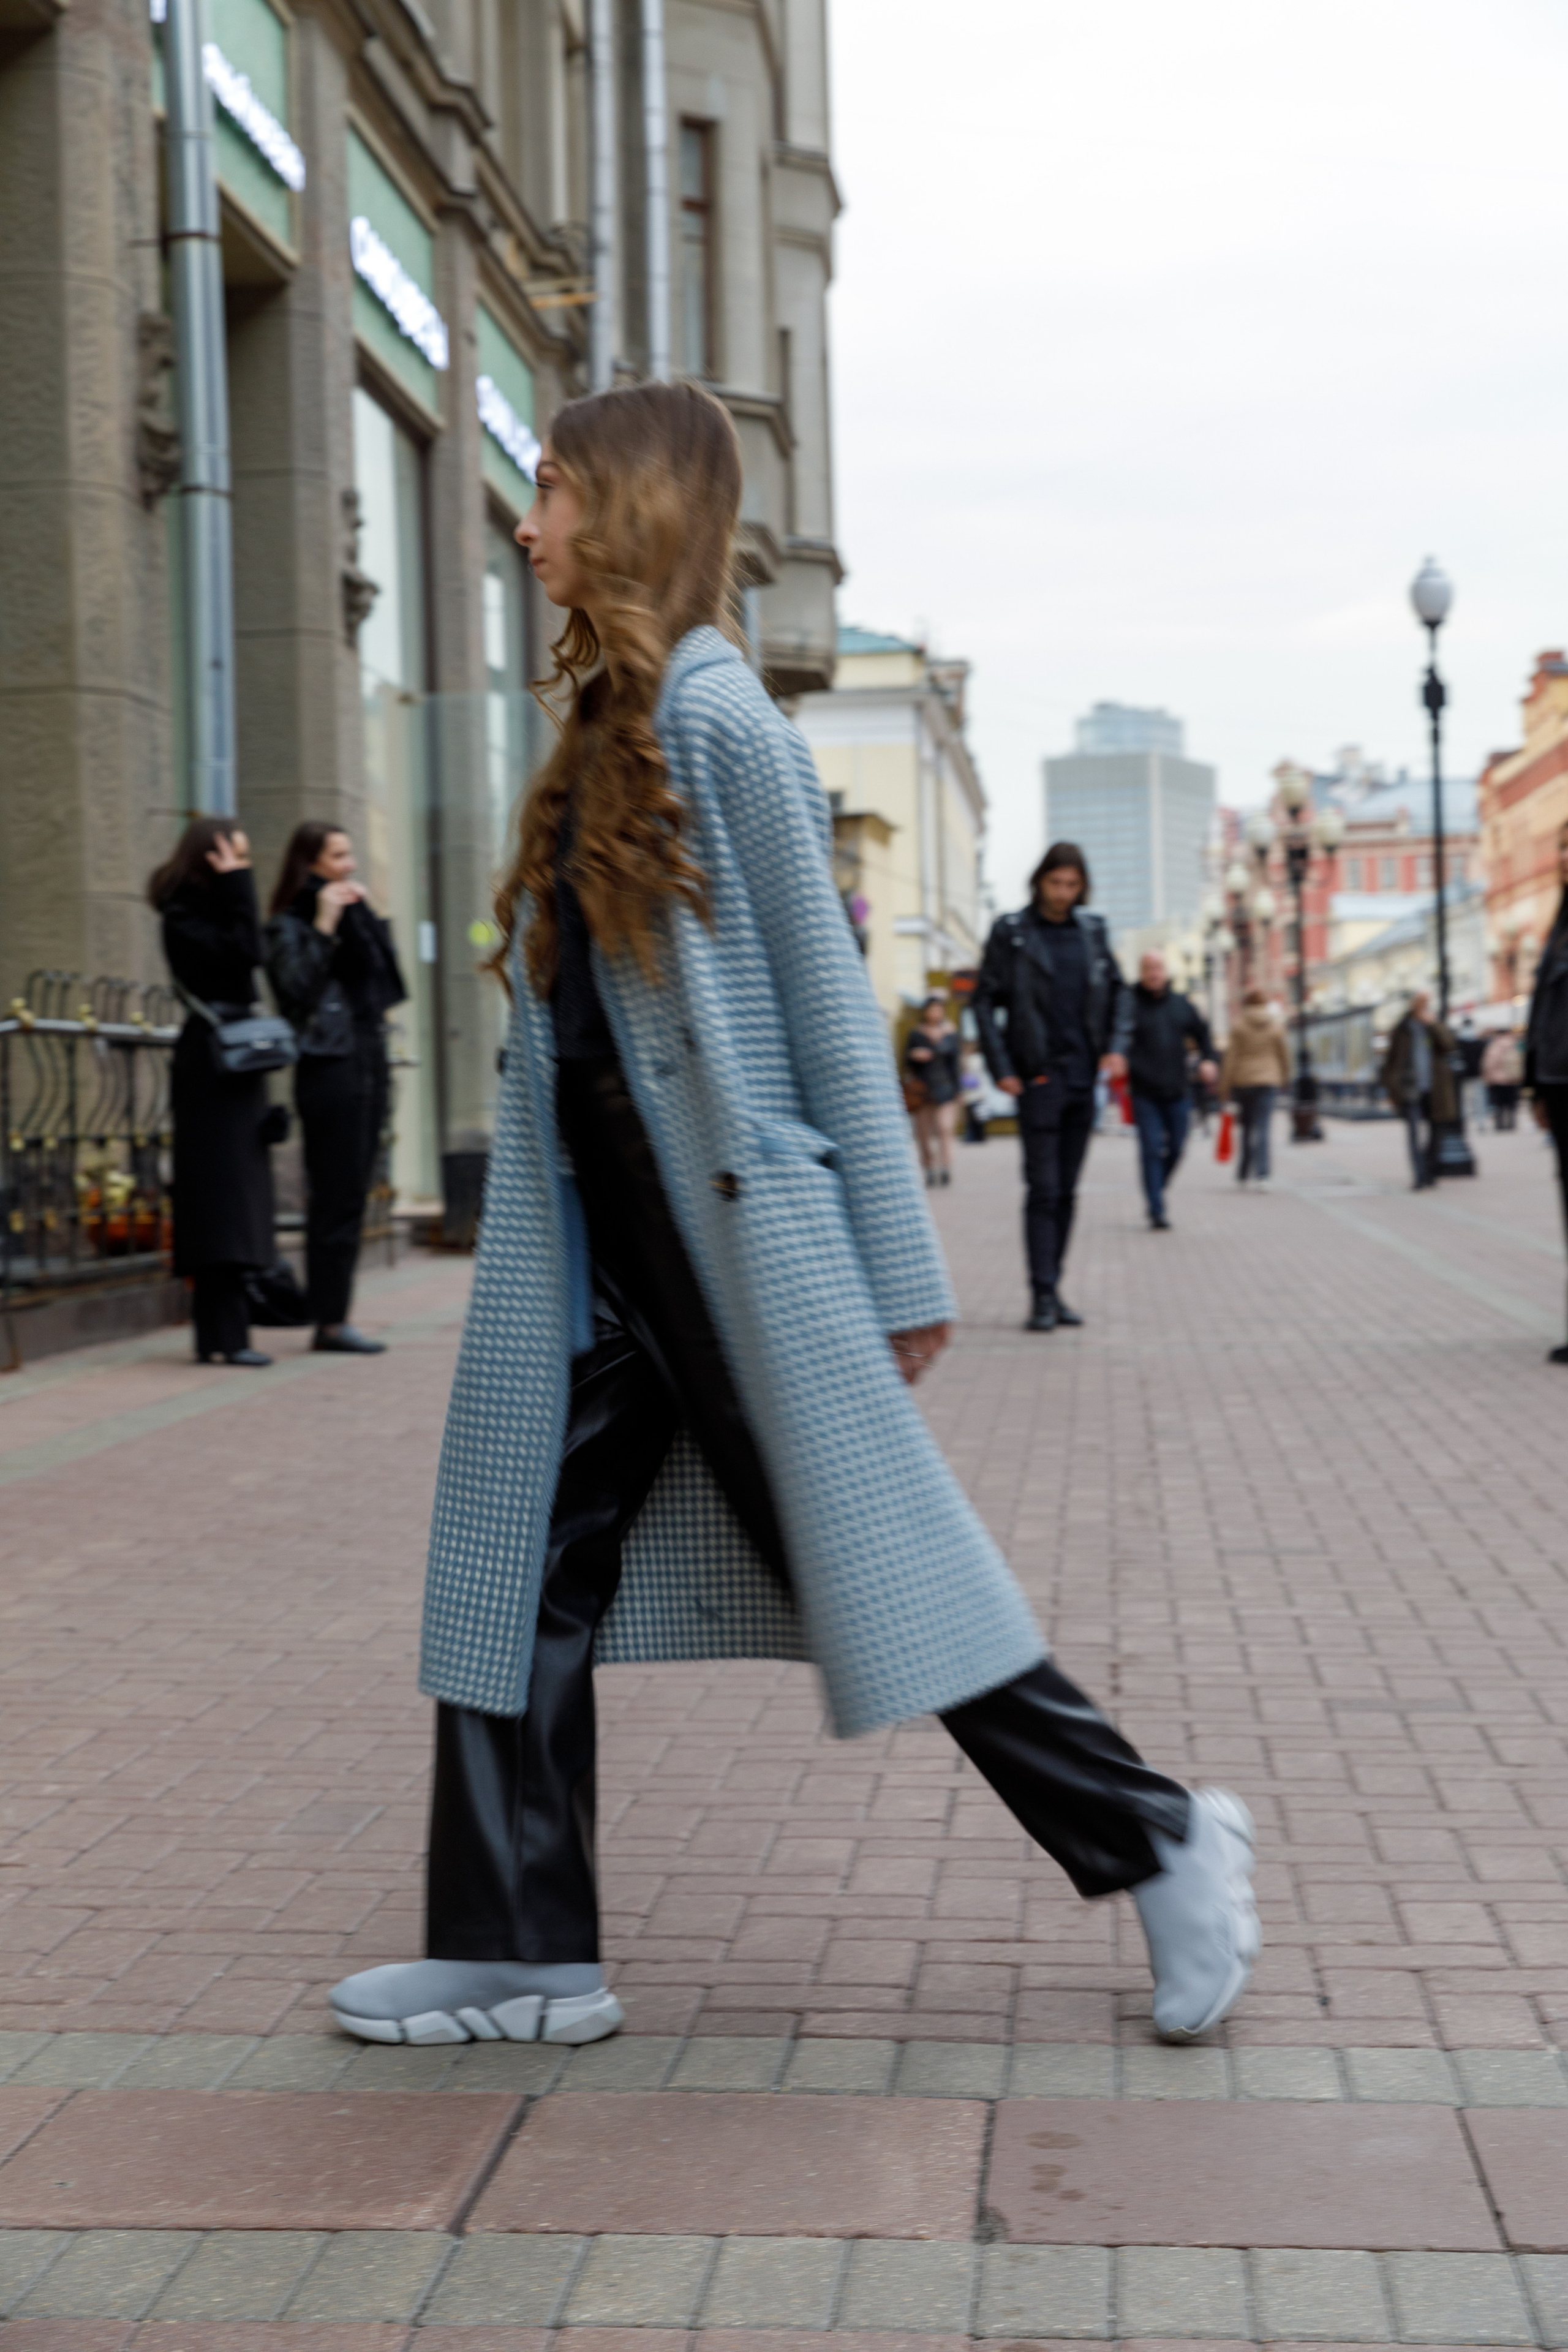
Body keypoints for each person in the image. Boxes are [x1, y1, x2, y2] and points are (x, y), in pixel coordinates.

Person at [324, 382, 1257, 2053]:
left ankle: (1160, 1833)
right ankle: (519, 1950)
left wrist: (897, 1263)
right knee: (513, 1571)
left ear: (628, 505)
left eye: (550, 489)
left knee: (877, 1569)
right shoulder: (613, 720)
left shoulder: (719, 717)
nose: (525, 524)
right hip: (608, 1258)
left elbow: (827, 1003)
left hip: (728, 1249)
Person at [972, 843, 1130, 1332]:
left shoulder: (1093, 931)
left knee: (1066, 1191)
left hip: (1084, 1078)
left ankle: (1054, 1288)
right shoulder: (1013, 932)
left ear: (1082, 887)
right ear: (1039, 881)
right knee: (1043, 1189)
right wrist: (1001, 1066)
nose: (1063, 893)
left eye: (1072, 885)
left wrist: (1116, 1046)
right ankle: (1041, 1294)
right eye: (1055, 883)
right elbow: (983, 1002)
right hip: (1038, 1077)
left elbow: (1119, 993)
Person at [265, 824, 406, 1354]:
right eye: (339, 855)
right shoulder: (287, 925)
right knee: (334, 1196)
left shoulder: (353, 915)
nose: (350, 865)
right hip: (328, 1068)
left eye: (350, 854)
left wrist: (364, 917)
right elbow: (295, 991)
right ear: (311, 863)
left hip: (368, 1062)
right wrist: (324, 925)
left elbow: (390, 986)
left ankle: (334, 1316)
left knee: (354, 1194)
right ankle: (329, 1322)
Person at [149, 817, 277, 1368]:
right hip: (211, 1063)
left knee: (238, 1196)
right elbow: (247, 954)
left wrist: (236, 889)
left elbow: (252, 952)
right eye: (236, 857)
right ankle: (223, 1335)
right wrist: (239, 887)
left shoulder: (217, 908)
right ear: (210, 857)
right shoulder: (182, 914)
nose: (244, 867)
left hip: (236, 1060)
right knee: (219, 1198)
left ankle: (226, 1335)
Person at [1126, 951, 1216, 1230]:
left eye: (1158, 968)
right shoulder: (1129, 1004)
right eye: (1148, 968)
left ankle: (1156, 1186)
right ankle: (1156, 1208)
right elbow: (1114, 1037)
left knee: (1177, 1146)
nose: (1154, 973)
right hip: (1144, 1092)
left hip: (1178, 1091)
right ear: (1141, 972)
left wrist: (1208, 1060)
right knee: (1151, 1149)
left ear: (1166, 971)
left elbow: (1204, 1036)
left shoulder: (1181, 1005)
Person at [1527, 821, 1568, 1362]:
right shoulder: (1559, 926)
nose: (1566, 857)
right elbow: (1542, 1012)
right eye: (1563, 848)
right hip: (1559, 1082)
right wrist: (1535, 1086)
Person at [1381, 989, 1455, 1192]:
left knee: (1437, 1131)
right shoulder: (1403, 1028)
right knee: (1413, 1132)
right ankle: (1419, 1175)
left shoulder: (1433, 1024)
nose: (1423, 1005)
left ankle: (1429, 1170)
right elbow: (1391, 1061)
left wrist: (1433, 1024)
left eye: (1426, 1002)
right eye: (1420, 1002)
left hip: (1435, 1088)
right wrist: (1391, 1088)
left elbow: (1449, 1045)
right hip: (1410, 1088)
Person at [1220, 987, 1291, 1192]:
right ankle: (1263, 1175)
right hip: (1268, 1081)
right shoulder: (1275, 1026)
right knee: (1263, 1128)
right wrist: (1286, 1078)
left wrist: (1224, 1087)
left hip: (1243, 1083)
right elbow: (1284, 1055)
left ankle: (1243, 1174)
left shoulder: (1239, 1026)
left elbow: (1231, 1058)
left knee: (1246, 1129)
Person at [902, 993, 961, 1186]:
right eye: (932, 1009)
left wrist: (958, 1090)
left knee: (946, 1129)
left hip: (946, 1088)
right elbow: (905, 1062)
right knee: (924, 1133)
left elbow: (956, 1064)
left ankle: (946, 1166)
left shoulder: (950, 1033)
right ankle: (929, 1167)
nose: (935, 1013)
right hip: (923, 1090)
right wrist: (914, 1056)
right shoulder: (916, 1034)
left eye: (938, 1009)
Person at [1482, 1028, 1523, 1130]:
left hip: (1498, 1080)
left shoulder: (1495, 1045)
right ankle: (1511, 1123)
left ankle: (1500, 1125)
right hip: (1513, 1078)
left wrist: (1488, 1078)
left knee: (1499, 1104)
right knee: (1511, 1103)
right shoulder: (1515, 1044)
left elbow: (1490, 1063)